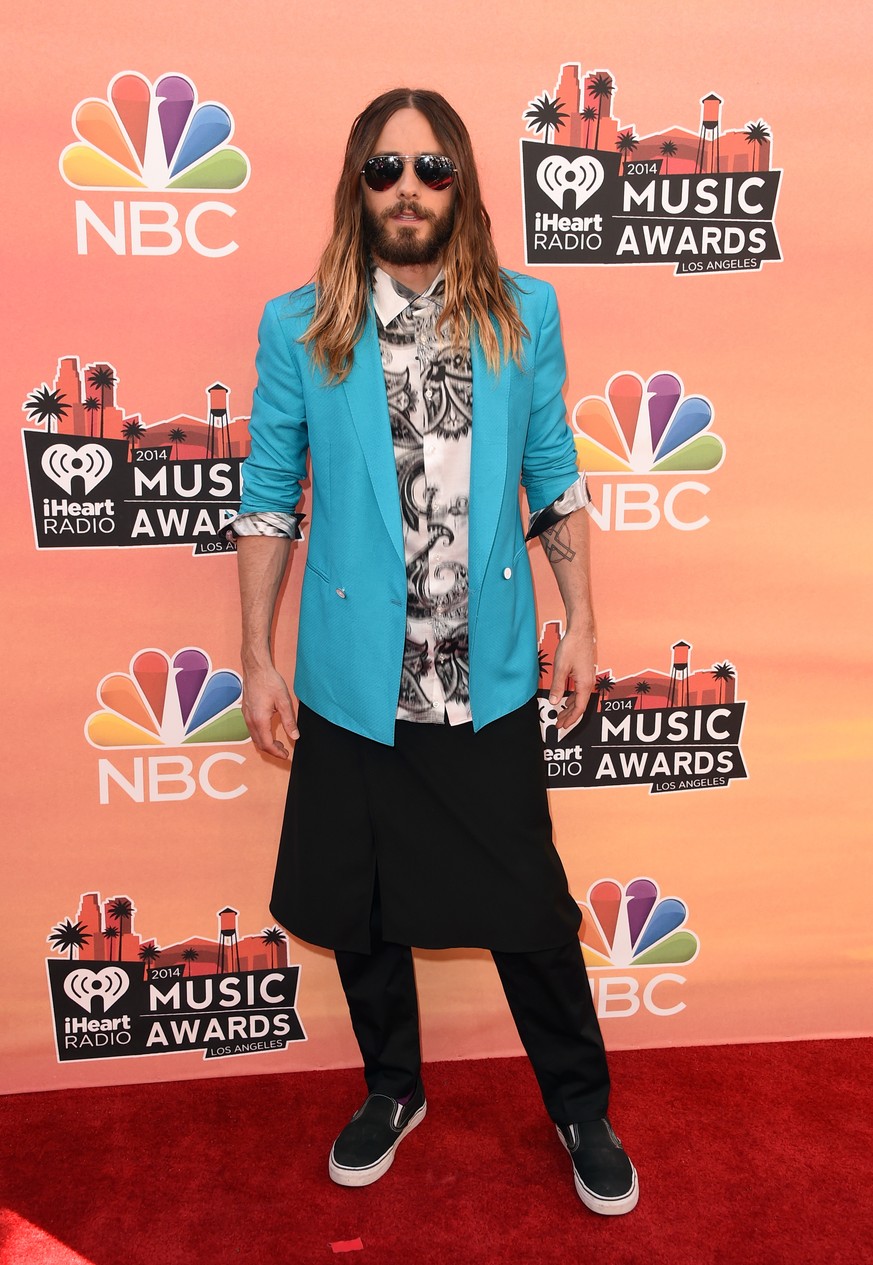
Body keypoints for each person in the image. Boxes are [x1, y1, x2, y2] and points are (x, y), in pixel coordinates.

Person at [233, 87, 638, 1216]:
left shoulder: (523, 312)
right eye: (384, 169)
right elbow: (269, 499)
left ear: (461, 181)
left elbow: (553, 474)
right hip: (355, 681)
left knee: (530, 911)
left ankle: (580, 1104)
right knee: (359, 903)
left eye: (431, 168)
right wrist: (260, 660)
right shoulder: (302, 324)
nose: (407, 188)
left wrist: (585, 624)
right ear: (356, 184)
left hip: (488, 673)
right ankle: (393, 1088)